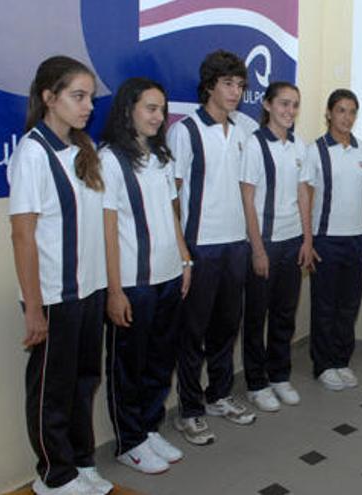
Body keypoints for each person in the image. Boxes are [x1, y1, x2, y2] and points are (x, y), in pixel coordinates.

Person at [9, 55, 113, 495]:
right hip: (53, 295)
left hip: (88, 291)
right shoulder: (32, 153)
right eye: (77, 96)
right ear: (49, 98)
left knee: (83, 381)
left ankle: (81, 461)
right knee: (53, 388)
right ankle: (53, 475)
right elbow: (23, 236)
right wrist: (34, 309)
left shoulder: (81, 151)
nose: (88, 105)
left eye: (90, 96)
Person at [99, 77, 191, 474]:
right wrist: (114, 290)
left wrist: (185, 258)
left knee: (159, 360)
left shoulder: (162, 156)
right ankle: (129, 440)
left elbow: (172, 214)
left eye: (161, 110)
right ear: (128, 110)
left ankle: (150, 428)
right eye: (150, 109)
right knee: (128, 364)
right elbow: (106, 228)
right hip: (134, 283)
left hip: (169, 275)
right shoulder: (109, 159)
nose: (158, 117)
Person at [169, 50, 255, 446]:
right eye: (228, 83)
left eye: (239, 85)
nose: (235, 91)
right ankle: (189, 410)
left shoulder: (242, 133)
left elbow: (246, 193)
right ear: (209, 86)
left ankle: (219, 394)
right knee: (193, 332)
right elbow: (175, 195)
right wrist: (183, 250)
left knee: (226, 326)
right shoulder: (185, 132)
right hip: (200, 247)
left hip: (235, 244)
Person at [240, 81, 314, 412]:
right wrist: (257, 250)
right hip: (265, 243)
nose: (290, 111)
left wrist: (308, 240)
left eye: (295, 105)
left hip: (292, 241)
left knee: (285, 314)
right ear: (268, 105)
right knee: (257, 316)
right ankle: (256, 383)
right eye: (283, 104)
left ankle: (279, 375)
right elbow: (247, 198)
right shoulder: (255, 145)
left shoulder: (300, 145)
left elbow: (303, 195)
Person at [304, 89, 362, 391]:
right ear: (329, 113)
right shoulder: (316, 150)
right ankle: (322, 365)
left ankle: (341, 360)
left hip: (356, 240)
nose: (346, 117)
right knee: (325, 306)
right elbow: (306, 199)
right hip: (326, 241)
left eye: (352, 112)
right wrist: (308, 241)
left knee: (349, 306)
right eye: (341, 111)